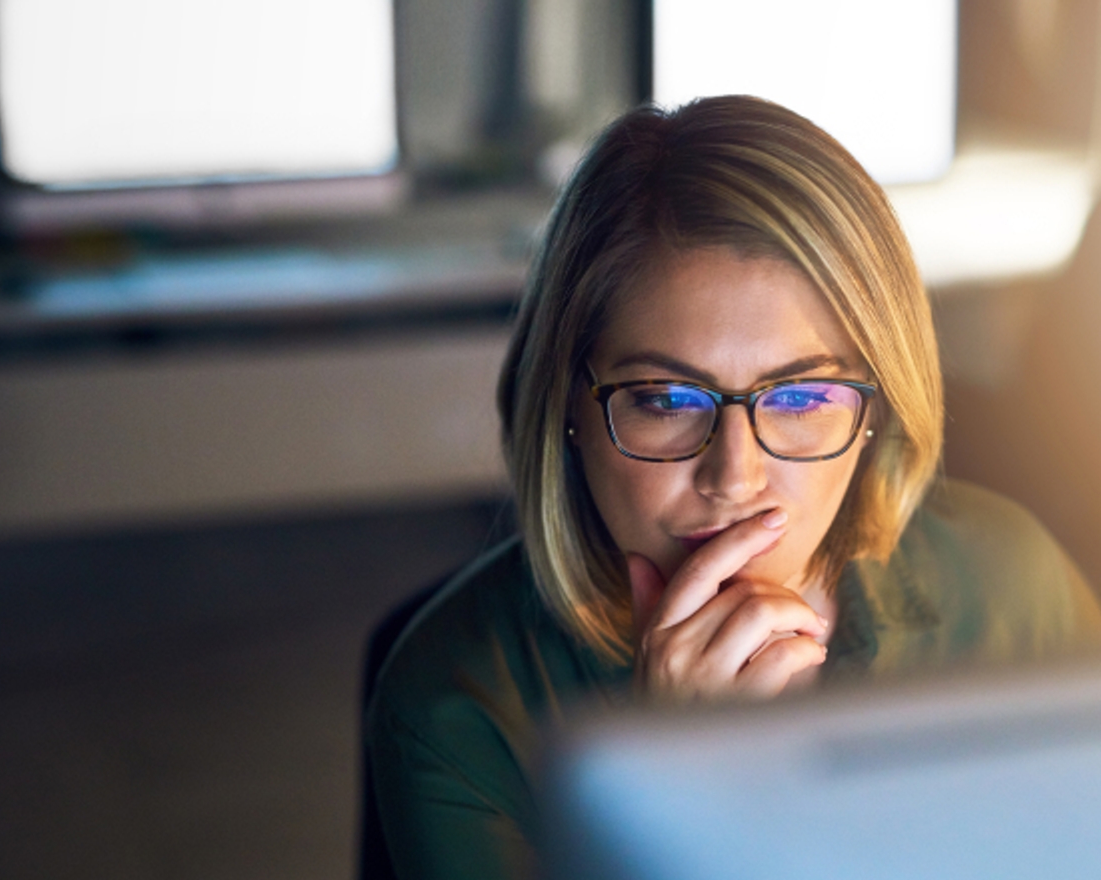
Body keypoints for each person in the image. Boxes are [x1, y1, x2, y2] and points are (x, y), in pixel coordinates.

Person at [364, 96, 1101, 880]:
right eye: (666, 401)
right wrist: (689, 783)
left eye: (803, 398)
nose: (736, 479)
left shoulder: (1011, 586)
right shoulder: (457, 704)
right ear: (567, 406)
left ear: (880, 405)